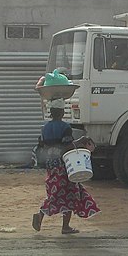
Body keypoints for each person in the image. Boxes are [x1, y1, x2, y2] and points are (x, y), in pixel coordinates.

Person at [32, 98, 99, 234]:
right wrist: (80, 141)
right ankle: (49, 218)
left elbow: (44, 146)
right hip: (64, 165)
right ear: (62, 112)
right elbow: (65, 148)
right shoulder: (65, 127)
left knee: (57, 193)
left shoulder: (45, 128)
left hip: (50, 164)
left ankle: (58, 223)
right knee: (68, 194)